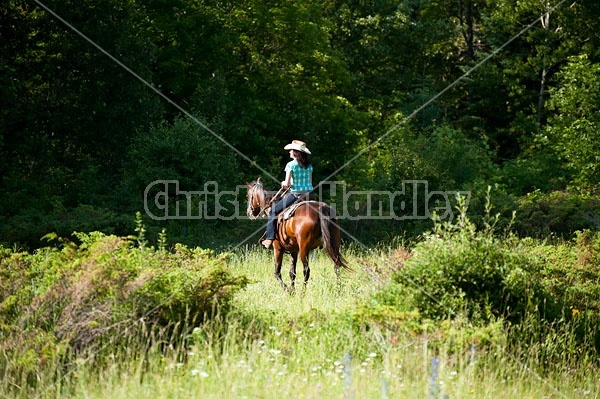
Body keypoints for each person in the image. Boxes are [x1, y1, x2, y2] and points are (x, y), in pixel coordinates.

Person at [262, 140, 313, 248]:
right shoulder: (309, 166)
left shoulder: (291, 165)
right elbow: (310, 182)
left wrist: (283, 183)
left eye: (291, 150)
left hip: (296, 195)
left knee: (273, 211)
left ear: (295, 152)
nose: (289, 152)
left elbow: (287, 184)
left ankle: (269, 238)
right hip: (310, 195)